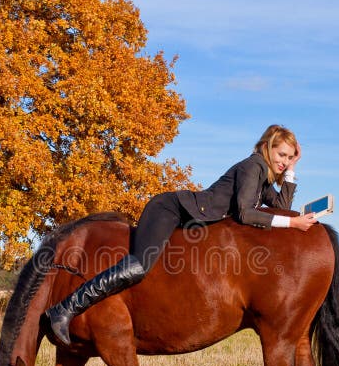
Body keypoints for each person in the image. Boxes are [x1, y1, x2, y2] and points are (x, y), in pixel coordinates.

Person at [46, 124, 318, 345]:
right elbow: (246, 214)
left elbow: (282, 208)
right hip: (169, 210)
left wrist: (293, 170)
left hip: (188, 221)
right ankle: (65, 308)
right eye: (281, 155)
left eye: (288, 156)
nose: (283, 161)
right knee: (140, 265)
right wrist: (293, 226)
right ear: (267, 148)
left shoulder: (264, 177)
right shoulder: (253, 167)